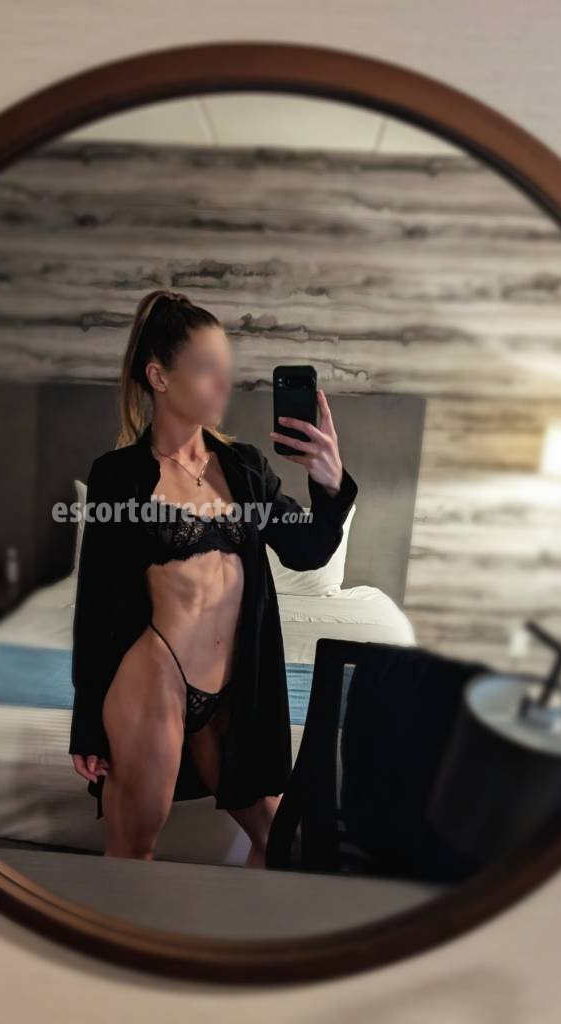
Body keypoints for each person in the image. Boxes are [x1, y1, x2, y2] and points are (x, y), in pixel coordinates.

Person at [68, 288, 358, 867]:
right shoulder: (119, 476)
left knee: (285, 844)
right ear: (159, 377)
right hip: (156, 676)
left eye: (227, 368)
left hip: (236, 686)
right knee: (132, 850)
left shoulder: (244, 467)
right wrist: (88, 728)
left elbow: (306, 551)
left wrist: (329, 483)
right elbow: (96, 602)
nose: (225, 384)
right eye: (207, 369)